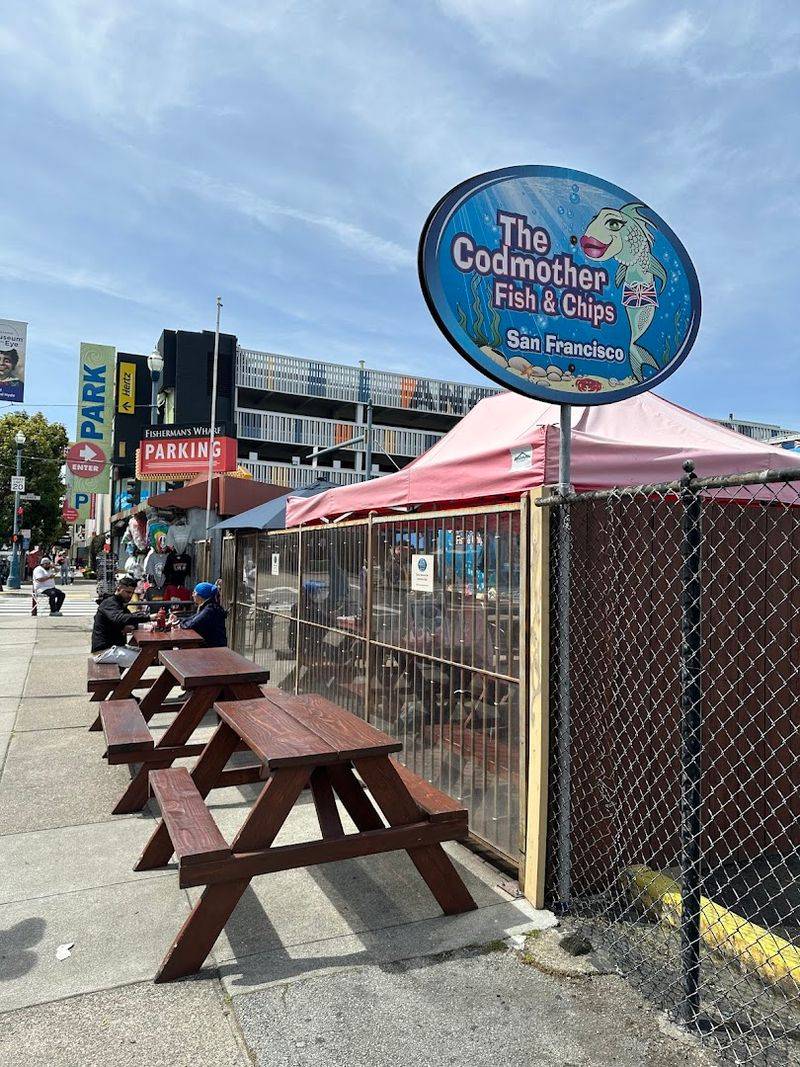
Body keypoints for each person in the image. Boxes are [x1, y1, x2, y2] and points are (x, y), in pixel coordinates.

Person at [91, 576, 150, 653]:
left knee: (143, 652)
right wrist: (149, 617)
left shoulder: (119, 603)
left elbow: (130, 619)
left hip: (115, 647)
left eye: (132, 593)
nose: (130, 596)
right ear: (119, 589)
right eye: (128, 592)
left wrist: (147, 625)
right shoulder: (110, 603)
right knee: (142, 655)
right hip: (105, 650)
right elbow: (121, 618)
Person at [169, 581, 228, 647]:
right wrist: (177, 620)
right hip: (210, 645)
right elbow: (192, 618)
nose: (192, 595)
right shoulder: (208, 606)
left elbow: (192, 624)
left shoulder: (210, 610)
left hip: (213, 647)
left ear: (201, 596)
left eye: (194, 592)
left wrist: (178, 624)